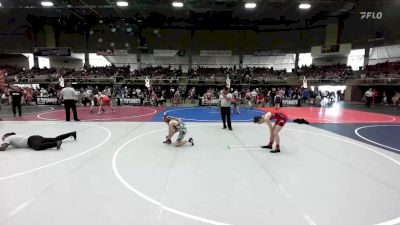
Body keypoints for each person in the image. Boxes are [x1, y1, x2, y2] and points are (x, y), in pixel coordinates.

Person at [0, 131, 77, 151]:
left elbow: (3, 148)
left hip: (32, 140)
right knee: (55, 138)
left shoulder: (8, 138)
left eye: (3, 138)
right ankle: (71, 133)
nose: (2, 139)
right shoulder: (13, 138)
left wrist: (3, 143)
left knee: (37, 147)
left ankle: (55, 144)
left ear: (6, 136)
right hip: (35, 138)